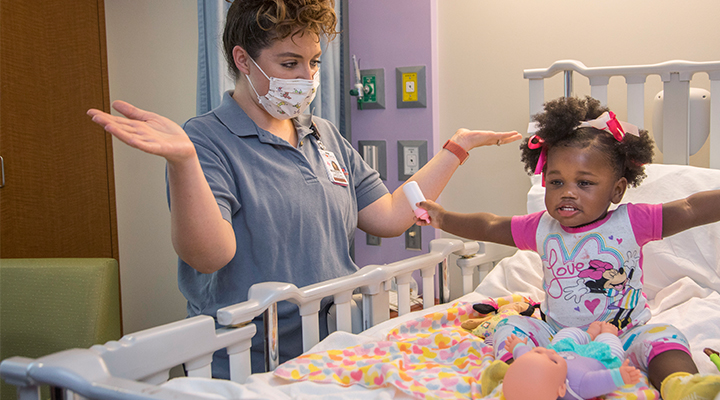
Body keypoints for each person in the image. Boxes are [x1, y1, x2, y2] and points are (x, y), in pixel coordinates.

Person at [87, 0, 520, 378]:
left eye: (313, 62)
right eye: (289, 63)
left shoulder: (323, 134)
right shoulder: (206, 140)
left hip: (331, 345)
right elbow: (208, 256)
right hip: (250, 359)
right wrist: (182, 162)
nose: (307, 76)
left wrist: (456, 149)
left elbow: (388, 216)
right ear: (243, 59)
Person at [415, 95, 720, 400]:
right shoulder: (540, 228)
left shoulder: (632, 222)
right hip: (555, 337)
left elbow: (693, 208)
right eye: (556, 182)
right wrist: (443, 217)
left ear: (616, 189)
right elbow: (489, 224)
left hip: (625, 333)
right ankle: (509, 374)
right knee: (511, 325)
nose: (567, 193)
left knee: (666, 336)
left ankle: (678, 384)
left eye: (584, 183)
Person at [496, 318, 641, 400]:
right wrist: (621, 376)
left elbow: (524, 356)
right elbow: (601, 381)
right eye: (553, 361)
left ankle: (588, 335)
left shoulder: (551, 357)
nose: (550, 353)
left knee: (566, 333)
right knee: (611, 347)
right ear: (561, 388)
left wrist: (517, 346)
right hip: (598, 358)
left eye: (539, 352)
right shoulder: (578, 386)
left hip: (566, 350)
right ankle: (608, 333)